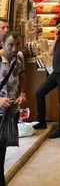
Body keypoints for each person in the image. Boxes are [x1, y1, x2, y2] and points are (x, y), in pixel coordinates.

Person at [0, 31, 26, 186]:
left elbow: (22, 77)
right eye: (11, 45)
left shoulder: (20, 57)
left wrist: (23, 93)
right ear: (2, 44)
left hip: (10, 114)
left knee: (2, 155)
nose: (14, 49)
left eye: (17, 44)